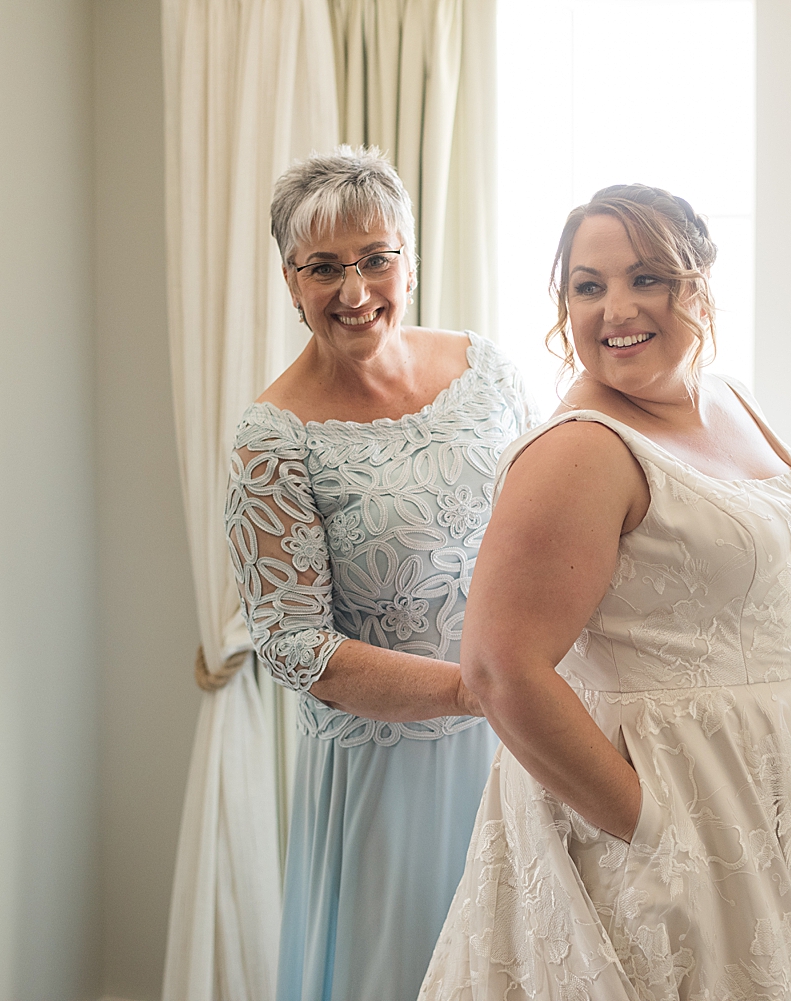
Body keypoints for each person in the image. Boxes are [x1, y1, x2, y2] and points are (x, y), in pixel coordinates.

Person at [420, 185, 791, 1000]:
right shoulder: (580, 451)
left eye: (646, 278)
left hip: (774, 788)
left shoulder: (727, 396)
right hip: (669, 809)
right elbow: (500, 668)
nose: (616, 308)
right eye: (588, 285)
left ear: (699, 284)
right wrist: (650, 828)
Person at [226, 146, 537, 1001]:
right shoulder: (272, 438)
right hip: (387, 772)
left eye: (374, 258)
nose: (355, 291)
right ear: (291, 283)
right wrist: (478, 691)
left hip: (521, 740)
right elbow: (294, 646)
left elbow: (550, 522)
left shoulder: (488, 372)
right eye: (324, 268)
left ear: (409, 257)